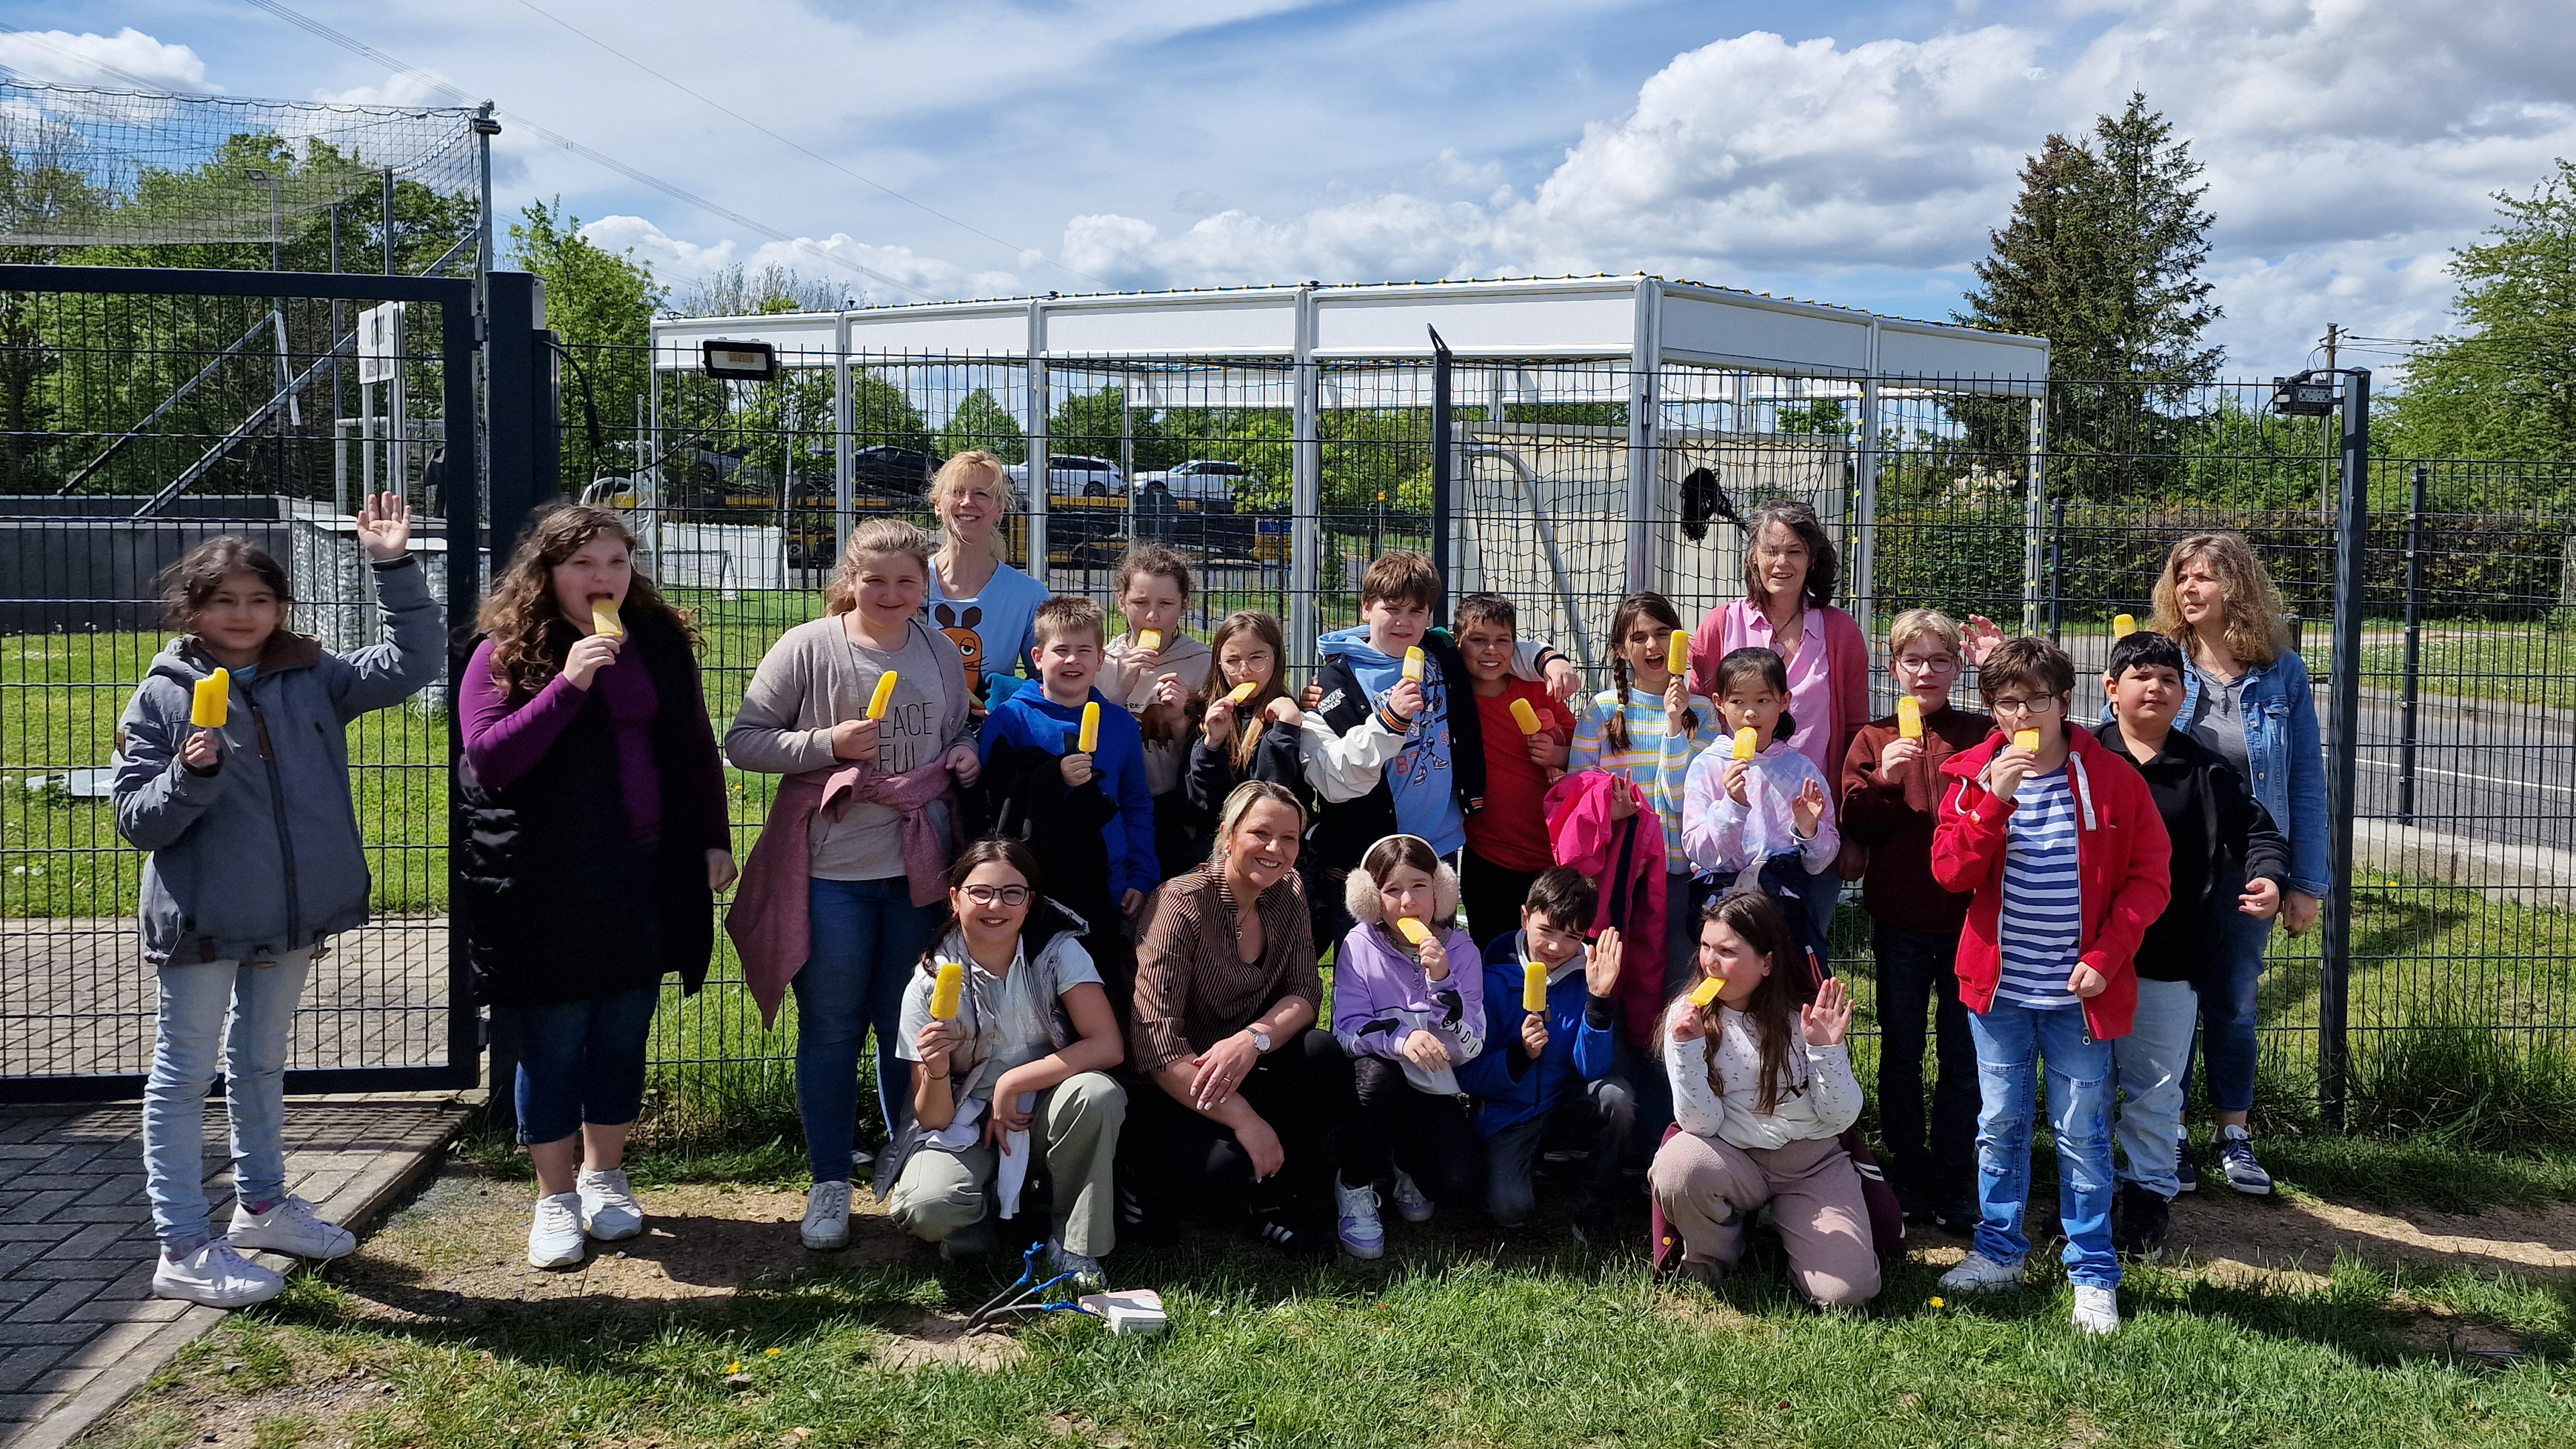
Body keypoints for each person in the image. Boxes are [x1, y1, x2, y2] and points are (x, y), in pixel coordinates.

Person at [112, 499, 439, 1306]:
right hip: (203, 919)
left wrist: (393, 567)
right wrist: (192, 774)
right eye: (224, 601)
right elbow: (136, 822)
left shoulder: (314, 676)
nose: (244, 615)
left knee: (259, 1062)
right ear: (192, 612)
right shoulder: (163, 696)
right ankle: (183, 1245)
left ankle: (261, 1207)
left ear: (282, 607)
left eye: (260, 600)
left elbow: (413, 662)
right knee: (183, 1076)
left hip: (291, 917)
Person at [458, 506, 736, 1270]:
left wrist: (713, 836)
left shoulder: (656, 643)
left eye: (616, 562)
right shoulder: (506, 651)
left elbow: (691, 745)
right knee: (553, 1041)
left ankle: (605, 1174)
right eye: (584, 565)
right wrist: (570, 684)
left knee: (620, 1031)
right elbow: (490, 759)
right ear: (546, 575)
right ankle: (554, 1199)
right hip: (547, 880)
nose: (603, 579)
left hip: (644, 870)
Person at [724, 517, 979, 1252]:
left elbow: (960, 729)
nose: (893, 593)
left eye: (907, 581)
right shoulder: (809, 646)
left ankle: (910, 1166)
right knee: (832, 1027)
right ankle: (830, 1179)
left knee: (908, 1028)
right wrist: (826, 744)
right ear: (849, 581)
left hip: (919, 872)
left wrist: (963, 756)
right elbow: (744, 740)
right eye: (877, 580)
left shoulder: (937, 647)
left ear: (925, 583)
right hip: (832, 872)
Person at [1931, 637, 2169, 1335]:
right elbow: (1950, 874)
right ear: (1993, 712)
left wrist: (2108, 952)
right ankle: (2000, 1250)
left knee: (2081, 1131)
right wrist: (1990, 805)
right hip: (2000, 994)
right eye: (2007, 703)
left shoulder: (2115, 779)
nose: (2023, 713)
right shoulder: (1974, 776)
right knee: (1999, 1122)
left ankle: (2093, 1271)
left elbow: (2150, 878)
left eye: (2038, 698)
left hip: (2080, 998)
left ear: (2067, 702)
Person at [2095, 631, 2287, 1258]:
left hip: (2171, 956)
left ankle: (2147, 1203)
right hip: (2082, 957)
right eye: (2140, 676)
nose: (2155, 688)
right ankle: (2089, 1203)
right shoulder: (2079, 756)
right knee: (2086, 1087)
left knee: (2154, 1089)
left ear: (2185, 695)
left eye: (2169, 680)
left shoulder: (2205, 769)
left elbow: (2260, 832)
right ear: (2111, 689)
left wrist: (2269, 877)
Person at [2147, 531, 2326, 1195]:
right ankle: (2167, 1134)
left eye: (2205, 578)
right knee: (2170, 1000)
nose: (2190, 589)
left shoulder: (2283, 671)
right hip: (2172, 864)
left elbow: (2306, 777)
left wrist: (2304, 883)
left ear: (2237, 588)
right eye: (2182, 578)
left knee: (2233, 1000)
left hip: (2254, 860)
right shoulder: (2166, 662)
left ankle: (2234, 1135)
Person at [1121, 782, 1356, 1259]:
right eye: (1261, 833)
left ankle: (1282, 1204)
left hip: (1243, 1064)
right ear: (1228, 835)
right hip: (1175, 1080)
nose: (1276, 849)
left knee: (1320, 1054)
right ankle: (1138, 1182)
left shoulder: (1288, 892)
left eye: (1289, 838)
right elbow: (1157, 1046)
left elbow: (1306, 992)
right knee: (1222, 1174)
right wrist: (1246, 1121)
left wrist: (1254, 1039)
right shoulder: (1180, 904)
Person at [882, 839, 1125, 1283]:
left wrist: (1011, 1083)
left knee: (1097, 1093)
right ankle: (987, 1220)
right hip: (965, 1120)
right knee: (927, 1207)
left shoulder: (1058, 954)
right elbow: (933, 1118)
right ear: (955, 899)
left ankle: (1074, 1245)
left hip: (1045, 1110)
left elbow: (1107, 1044)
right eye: (981, 892)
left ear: (1030, 903)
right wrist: (937, 1068)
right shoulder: (928, 983)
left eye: (1012, 893)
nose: (996, 905)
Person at [1837, 607, 1991, 1234]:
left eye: (1939, 660)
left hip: (1968, 921)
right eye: (1913, 660)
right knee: (1901, 1047)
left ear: (1957, 667)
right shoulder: (1873, 737)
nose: (1925, 671)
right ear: (1893, 665)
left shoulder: (1982, 732)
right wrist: (1884, 782)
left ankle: (1956, 1174)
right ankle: (1907, 1167)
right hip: (1900, 918)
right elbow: (1854, 825)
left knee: (1964, 1052)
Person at [1650, 890, 1877, 1307]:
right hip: (1732, 1157)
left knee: (1848, 1293)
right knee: (1679, 1162)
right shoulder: (1687, 1016)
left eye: (1727, 951)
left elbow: (1842, 1117)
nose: (1710, 962)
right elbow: (1699, 1125)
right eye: (1705, 947)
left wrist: (1826, 1052)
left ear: (1767, 963)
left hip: (1811, 1162)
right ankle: (1713, 1258)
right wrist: (1686, 1050)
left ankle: (1796, 1239)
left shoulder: (1801, 1016)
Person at [1685, 499, 1872, 955]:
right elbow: (1693, 712)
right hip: (1734, 836)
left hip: (1809, 830)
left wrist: (1851, 833)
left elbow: (1855, 737)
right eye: (1771, 550)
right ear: (1753, 557)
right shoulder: (1720, 624)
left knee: (1796, 954)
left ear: (1813, 559)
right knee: (1733, 959)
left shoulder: (1839, 631)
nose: (1781, 563)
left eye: (1795, 551)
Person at [1303, 552, 1486, 950]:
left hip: (1439, 845)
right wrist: (1390, 721)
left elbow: (1495, 650)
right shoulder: (1337, 683)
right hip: (1373, 855)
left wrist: (1547, 658)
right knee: (1368, 965)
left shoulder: (1440, 654)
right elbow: (1334, 777)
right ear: (1366, 607)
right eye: (1392, 609)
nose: (1404, 622)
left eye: (1416, 612)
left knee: (1435, 958)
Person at [1456, 869, 1633, 1242]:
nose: (1556, 947)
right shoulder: (1491, 978)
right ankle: (1531, 1164)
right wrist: (1518, 1056)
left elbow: (1594, 1070)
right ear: (1525, 917)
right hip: (1509, 1115)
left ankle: (1594, 1205)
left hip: (1564, 1102)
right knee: (1510, 1212)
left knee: (1616, 1098)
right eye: (1547, 931)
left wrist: (1599, 1002)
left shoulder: (1589, 974)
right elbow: (1466, 1075)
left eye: (1572, 936)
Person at [978, 595, 1159, 955]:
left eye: (1084, 651)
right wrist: (1051, 777)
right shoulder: (1010, 720)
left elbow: (1137, 804)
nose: (1072, 660)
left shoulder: (1121, 724)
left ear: (1100, 660)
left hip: (1105, 881)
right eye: (1061, 650)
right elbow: (991, 800)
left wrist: (1141, 875)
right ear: (1038, 657)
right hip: (1030, 882)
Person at [1332, 834, 1487, 1247]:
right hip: (1377, 1078)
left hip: (1434, 1086)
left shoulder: (1464, 952)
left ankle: (1402, 1163)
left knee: (1459, 1185)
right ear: (1370, 899)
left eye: (1419, 886)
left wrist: (1442, 982)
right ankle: (1355, 1184)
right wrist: (1402, 1038)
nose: (1408, 902)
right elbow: (1346, 1031)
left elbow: (1472, 1046)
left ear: (1440, 890)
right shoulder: (1358, 945)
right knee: (1378, 1081)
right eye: (1392, 890)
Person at [1571, 590, 1721, 991]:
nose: (1652, 645)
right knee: (1619, 972)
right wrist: (1610, 811)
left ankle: (1669, 1053)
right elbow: (1576, 794)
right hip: (1620, 868)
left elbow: (1683, 796)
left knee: (1677, 970)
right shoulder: (1601, 711)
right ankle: (1619, 1054)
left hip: (1680, 870)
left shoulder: (1703, 713)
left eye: (1662, 633)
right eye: (1639, 638)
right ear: (1621, 650)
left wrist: (1675, 726)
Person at [1682, 646, 1838, 975]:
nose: (1750, 713)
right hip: (1724, 909)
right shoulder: (1707, 766)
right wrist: (1732, 806)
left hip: (1785, 908)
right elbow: (1700, 852)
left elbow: (1821, 861)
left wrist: (1808, 830)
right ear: (1720, 704)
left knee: (1789, 998)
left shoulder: (1801, 770)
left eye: (1763, 701)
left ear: (1784, 701)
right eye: (1738, 702)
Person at [1452, 592, 1578, 945]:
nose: (1491, 651)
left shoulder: (1537, 690)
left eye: (1502, 641)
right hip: (1488, 856)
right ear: (1459, 644)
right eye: (1479, 641)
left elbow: (1585, 754)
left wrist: (1557, 754)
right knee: (1495, 959)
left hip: (1550, 855)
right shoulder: (1450, 693)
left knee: (1552, 956)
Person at [1098, 543, 1216, 880]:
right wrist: (1120, 687)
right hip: (1116, 802)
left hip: (1173, 806)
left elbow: (1212, 752)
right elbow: (1092, 741)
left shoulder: (1203, 663)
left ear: (1184, 606)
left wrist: (1181, 718)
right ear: (1121, 602)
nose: (1153, 616)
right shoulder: (1101, 663)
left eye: (1166, 604)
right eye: (1140, 603)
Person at [924, 449, 1048, 702]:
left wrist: (1008, 704)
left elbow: (1047, 680)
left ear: (1000, 509)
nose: (968, 501)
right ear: (938, 504)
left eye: (981, 494)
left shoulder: (1028, 595)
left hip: (990, 733)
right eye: (957, 491)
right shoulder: (909, 584)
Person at [1183, 608, 1318, 820]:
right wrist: (1212, 744)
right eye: (1233, 660)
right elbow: (1201, 804)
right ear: (1219, 664)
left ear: (1276, 659)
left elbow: (1274, 799)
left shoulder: (1291, 717)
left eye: (1256, 658)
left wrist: (1285, 731)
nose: (1244, 670)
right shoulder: (1204, 715)